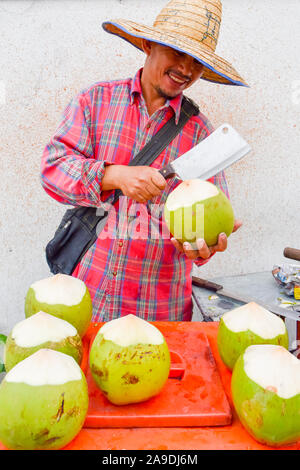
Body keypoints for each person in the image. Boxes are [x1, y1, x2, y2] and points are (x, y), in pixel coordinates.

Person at [41, 0, 247, 322]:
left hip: (158, 312)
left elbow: (205, 228)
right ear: (149, 44)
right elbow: (52, 169)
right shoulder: (95, 101)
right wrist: (114, 175)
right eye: (177, 53)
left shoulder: (202, 135)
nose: (186, 69)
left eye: (197, 62)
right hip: (85, 298)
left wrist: (203, 244)